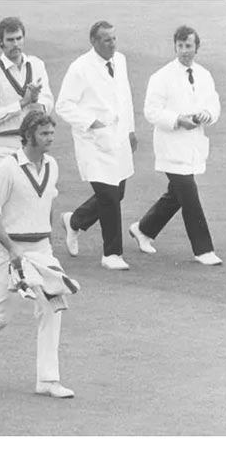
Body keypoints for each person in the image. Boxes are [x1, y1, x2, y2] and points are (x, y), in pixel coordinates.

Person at [0, 111, 77, 398]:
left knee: (53, 308)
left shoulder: (53, 165)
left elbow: (46, 205)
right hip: (10, 252)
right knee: (1, 313)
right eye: (44, 134)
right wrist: (11, 248)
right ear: (29, 135)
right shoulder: (7, 169)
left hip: (42, 251)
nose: (50, 139)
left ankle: (48, 379)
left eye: (52, 133)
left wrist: (49, 246)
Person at [128, 26, 222, 266]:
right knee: (189, 194)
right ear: (175, 47)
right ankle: (203, 250)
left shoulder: (204, 75)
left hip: (194, 147)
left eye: (188, 46)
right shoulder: (161, 76)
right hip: (171, 146)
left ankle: (143, 229)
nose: (184, 51)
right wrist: (178, 120)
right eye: (180, 46)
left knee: (177, 195)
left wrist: (205, 115)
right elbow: (151, 111)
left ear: (196, 47)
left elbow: (214, 106)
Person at [0, 17, 55, 279]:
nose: (15, 44)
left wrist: (38, 102)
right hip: (6, 144)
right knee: (6, 204)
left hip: (33, 144)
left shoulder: (37, 65)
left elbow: (49, 101)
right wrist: (21, 103)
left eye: (19, 38)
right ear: (1, 41)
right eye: (10, 40)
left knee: (36, 198)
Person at [56, 21, 138, 270]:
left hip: (119, 138)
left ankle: (75, 221)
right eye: (106, 40)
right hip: (93, 142)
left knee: (118, 192)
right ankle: (111, 254)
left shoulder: (120, 60)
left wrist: (131, 130)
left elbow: (125, 96)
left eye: (114, 38)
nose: (112, 44)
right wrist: (92, 123)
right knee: (109, 195)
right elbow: (64, 105)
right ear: (93, 41)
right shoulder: (80, 68)